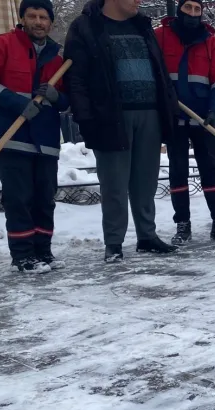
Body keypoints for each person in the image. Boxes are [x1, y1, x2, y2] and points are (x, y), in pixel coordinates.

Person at [64, 0, 179, 262]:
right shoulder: (85, 27)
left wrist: (168, 108)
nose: (139, 1)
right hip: (111, 115)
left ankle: (147, 236)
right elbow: (77, 77)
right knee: (114, 183)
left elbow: (159, 69)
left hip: (150, 112)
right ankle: (114, 242)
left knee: (146, 180)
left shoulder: (143, 25)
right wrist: (86, 118)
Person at [0, 0, 68, 273]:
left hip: (46, 141)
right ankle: (23, 256)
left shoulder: (58, 58)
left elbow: (67, 101)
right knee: (19, 199)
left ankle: (43, 251)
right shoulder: (1, 45)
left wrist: (57, 96)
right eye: (33, 16)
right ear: (23, 18)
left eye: (43, 17)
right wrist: (15, 102)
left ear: (50, 22)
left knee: (44, 199)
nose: (38, 22)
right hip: (11, 137)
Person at [155, 0, 215, 244]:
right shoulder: (160, 36)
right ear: (179, 10)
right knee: (178, 170)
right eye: (188, 8)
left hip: (203, 117)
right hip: (174, 115)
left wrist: (214, 111)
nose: (192, 14)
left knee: (209, 169)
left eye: (197, 9)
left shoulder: (210, 41)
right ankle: (183, 223)